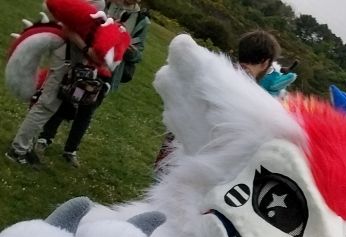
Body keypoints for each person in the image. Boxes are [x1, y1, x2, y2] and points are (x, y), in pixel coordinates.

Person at [35, 0, 150, 168]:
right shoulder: (106, 3)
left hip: (106, 72)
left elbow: (138, 55)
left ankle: (70, 150)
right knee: (66, 97)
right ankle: (45, 138)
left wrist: (128, 50)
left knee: (87, 110)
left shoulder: (141, 20)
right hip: (83, 60)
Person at [153, 30, 281, 175]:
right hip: (197, 167)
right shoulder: (250, 98)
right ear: (265, 63)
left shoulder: (211, 70)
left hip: (172, 150)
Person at [5, 0, 107, 166]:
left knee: (48, 105)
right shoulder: (95, 2)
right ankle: (18, 150)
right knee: (46, 105)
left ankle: (25, 145)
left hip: (69, 55)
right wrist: (87, 49)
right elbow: (69, 27)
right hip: (67, 55)